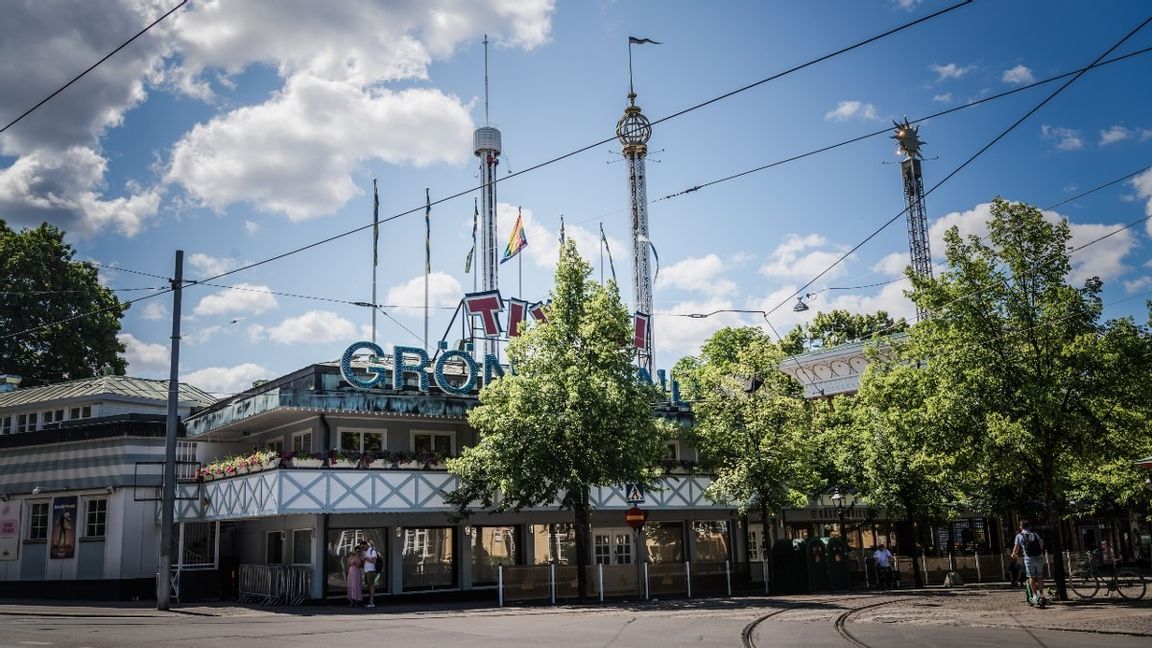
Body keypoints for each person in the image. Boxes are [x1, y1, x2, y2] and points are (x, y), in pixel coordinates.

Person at [1011, 520, 1046, 607]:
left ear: (1021, 526)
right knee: (1040, 577)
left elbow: (1016, 549)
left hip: (1029, 558)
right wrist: (1039, 551)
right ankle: (1042, 595)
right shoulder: (1034, 533)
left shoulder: (1019, 536)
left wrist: (1013, 555)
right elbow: (1041, 543)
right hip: (1039, 557)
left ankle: (1035, 596)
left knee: (1031, 577)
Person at [362, 539, 380, 608]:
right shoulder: (365, 552)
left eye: (363, 547)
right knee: (369, 586)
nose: (363, 548)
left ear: (366, 545)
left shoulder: (372, 551)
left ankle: (371, 602)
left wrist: (366, 559)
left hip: (371, 570)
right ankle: (370, 601)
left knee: (371, 586)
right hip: (366, 570)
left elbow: (374, 561)